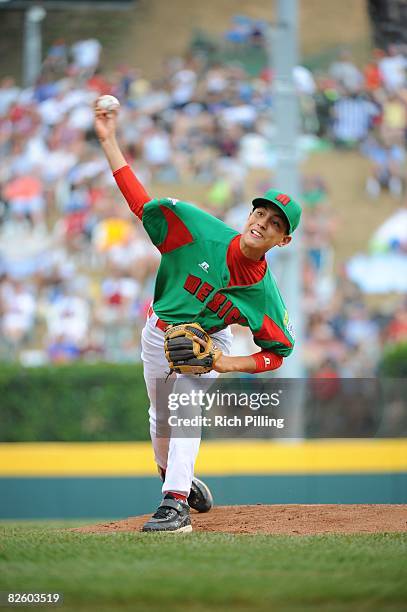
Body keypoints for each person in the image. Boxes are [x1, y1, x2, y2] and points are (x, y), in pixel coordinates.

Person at [94, 101, 301, 533]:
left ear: (284, 239)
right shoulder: (195, 228)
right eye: (260, 212)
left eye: (275, 222)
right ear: (250, 214)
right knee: (161, 418)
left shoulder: (264, 295)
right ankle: (177, 479)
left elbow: (277, 352)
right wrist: (109, 141)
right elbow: (140, 203)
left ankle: (174, 506)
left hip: (208, 345)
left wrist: (225, 362)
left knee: (183, 404)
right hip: (158, 333)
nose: (263, 222)